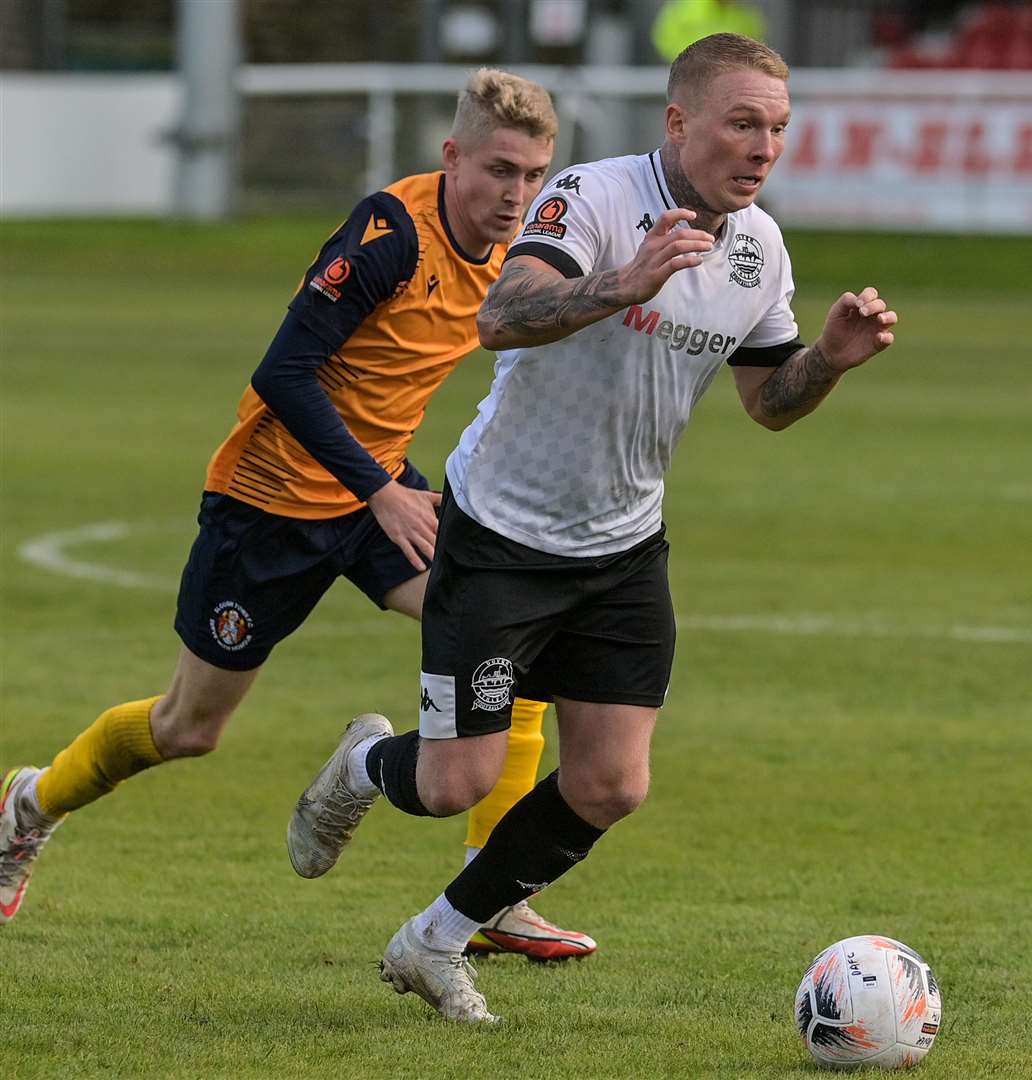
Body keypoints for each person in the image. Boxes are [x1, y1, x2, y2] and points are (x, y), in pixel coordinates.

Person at [289, 31, 899, 1024]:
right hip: (500, 537)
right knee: (453, 785)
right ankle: (363, 765)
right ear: (679, 122)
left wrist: (827, 359)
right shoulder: (598, 196)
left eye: (777, 128)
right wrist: (626, 280)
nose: (762, 146)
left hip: (620, 548)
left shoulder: (760, 246)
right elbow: (502, 315)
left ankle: (433, 941)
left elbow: (769, 404)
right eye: (742, 122)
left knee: (611, 783)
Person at [0, 69, 597, 961]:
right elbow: (282, 374)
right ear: (453, 158)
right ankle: (26, 809)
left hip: (377, 492)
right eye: (499, 170)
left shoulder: (516, 258)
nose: (515, 194)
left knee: (513, 643)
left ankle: (494, 894)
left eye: (532, 174)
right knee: (187, 728)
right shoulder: (392, 233)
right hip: (272, 504)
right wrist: (379, 487)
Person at [651, 0, 766, 61]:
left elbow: (754, 47)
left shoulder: (747, 16)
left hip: (731, 75)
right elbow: (664, 38)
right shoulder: (684, 9)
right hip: (689, 72)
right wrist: (689, 59)